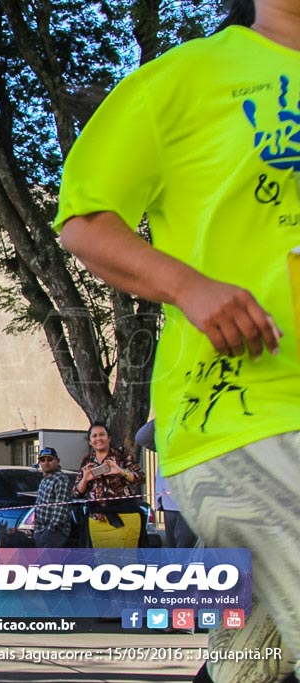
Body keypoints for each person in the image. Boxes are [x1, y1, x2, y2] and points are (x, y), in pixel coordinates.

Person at [55, 1, 300, 680]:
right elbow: (84, 218)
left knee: (253, 668)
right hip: (243, 413)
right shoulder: (189, 76)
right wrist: (192, 286)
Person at [71, 422, 144, 548]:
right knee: (103, 563)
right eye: (94, 436)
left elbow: (141, 477)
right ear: (90, 441)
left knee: (124, 560)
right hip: (97, 519)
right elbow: (76, 493)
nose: (98, 438)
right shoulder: (87, 460)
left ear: (109, 438)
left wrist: (121, 471)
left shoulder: (121, 454)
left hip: (124, 516)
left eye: (102, 435)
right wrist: (85, 479)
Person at [135, 420, 198, 549]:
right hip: (169, 505)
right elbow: (141, 437)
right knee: (172, 553)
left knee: (184, 555)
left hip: (189, 508)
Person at [33, 447, 73, 548]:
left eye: (50, 459)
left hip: (55, 532)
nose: (46, 463)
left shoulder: (60, 479)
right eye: (42, 460)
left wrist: (49, 531)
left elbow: (61, 508)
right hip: (40, 529)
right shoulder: (44, 480)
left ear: (57, 461)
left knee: (51, 562)